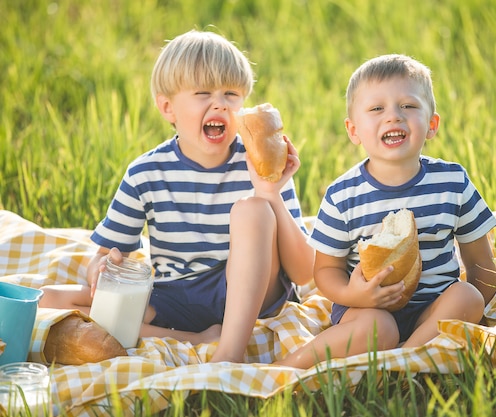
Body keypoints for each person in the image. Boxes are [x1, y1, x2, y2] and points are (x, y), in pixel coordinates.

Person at [39, 29, 314, 363]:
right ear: (168, 107)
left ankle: (229, 351)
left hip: (250, 294)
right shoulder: (145, 173)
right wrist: (100, 269)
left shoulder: (261, 160)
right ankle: (193, 338)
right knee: (47, 298)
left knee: (252, 211)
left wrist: (269, 191)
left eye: (231, 93)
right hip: (174, 296)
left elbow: (303, 273)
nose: (219, 103)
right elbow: (106, 256)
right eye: (202, 92)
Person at [274, 54, 496, 369]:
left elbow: (482, 267)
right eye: (377, 108)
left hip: (433, 310)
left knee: (469, 297)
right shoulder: (343, 195)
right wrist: (357, 297)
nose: (393, 116)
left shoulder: (452, 182)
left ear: (432, 124)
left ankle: (404, 357)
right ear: (354, 131)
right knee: (379, 329)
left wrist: (479, 314)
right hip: (367, 312)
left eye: (408, 106)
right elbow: (325, 271)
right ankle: (293, 364)